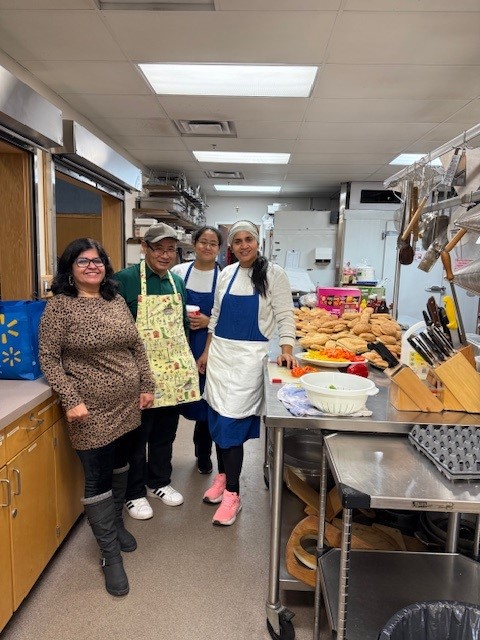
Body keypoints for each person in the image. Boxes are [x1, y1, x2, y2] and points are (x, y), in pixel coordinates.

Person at [39, 238, 155, 597]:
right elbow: (49, 357)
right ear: (70, 269)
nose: (92, 266)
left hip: (127, 403)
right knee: (96, 478)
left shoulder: (115, 300)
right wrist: (70, 399)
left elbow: (136, 344)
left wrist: (146, 383)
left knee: (122, 464)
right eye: (83, 261)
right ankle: (109, 556)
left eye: (98, 260)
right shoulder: (60, 307)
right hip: (88, 410)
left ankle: (116, 524)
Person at [198, 220, 297, 526]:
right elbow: (214, 318)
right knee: (216, 420)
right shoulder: (226, 274)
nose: (243, 245)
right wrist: (206, 352)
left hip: (247, 361)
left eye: (248, 240)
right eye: (237, 241)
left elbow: (285, 315)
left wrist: (287, 350)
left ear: (257, 243)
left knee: (231, 428)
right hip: (220, 357)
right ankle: (224, 476)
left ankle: (233, 495)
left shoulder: (273, 274)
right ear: (231, 246)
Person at [115, 222, 200, 520]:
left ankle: (159, 482)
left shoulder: (176, 283)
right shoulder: (124, 280)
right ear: (145, 248)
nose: (165, 255)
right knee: (138, 437)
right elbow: (113, 328)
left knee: (165, 433)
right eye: (159, 249)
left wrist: (185, 363)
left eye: (170, 250)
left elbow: (183, 326)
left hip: (172, 374)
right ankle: (134, 493)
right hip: (138, 375)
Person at [171, 225, 222, 475]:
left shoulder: (224, 276)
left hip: (208, 346)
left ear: (219, 249)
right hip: (178, 344)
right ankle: (162, 462)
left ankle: (203, 454)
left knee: (205, 404)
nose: (207, 247)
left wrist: (207, 322)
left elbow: (229, 315)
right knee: (171, 402)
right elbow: (167, 307)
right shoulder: (179, 272)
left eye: (213, 243)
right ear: (194, 244)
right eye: (203, 242)